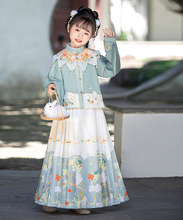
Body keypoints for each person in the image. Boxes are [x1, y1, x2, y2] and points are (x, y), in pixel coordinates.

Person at [34, 6, 129, 215]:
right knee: (65, 153)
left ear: (92, 36)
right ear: (69, 27)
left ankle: (83, 200)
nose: (81, 36)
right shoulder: (59, 59)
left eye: (87, 33)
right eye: (78, 29)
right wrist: (50, 87)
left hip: (90, 115)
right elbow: (53, 80)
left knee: (86, 153)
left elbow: (111, 69)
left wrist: (110, 45)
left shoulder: (93, 57)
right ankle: (53, 198)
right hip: (68, 114)